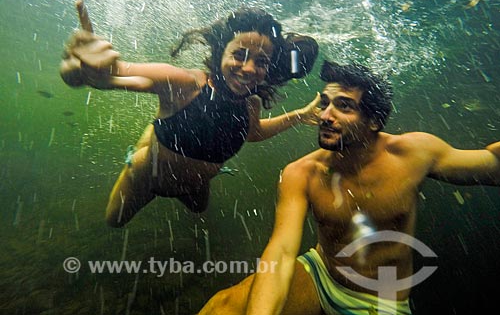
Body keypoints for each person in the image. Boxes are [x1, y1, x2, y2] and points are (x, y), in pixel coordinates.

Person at [198, 61, 500, 315]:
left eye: (344, 106)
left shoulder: (414, 153)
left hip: (380, 300)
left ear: (373, 121)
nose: (326, 115)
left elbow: (490, 166)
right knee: (221, 307)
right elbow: (281, 251)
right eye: (326, 103)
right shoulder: (301, 172)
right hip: (322, 274)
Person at [60, 6, 320, 228]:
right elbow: (114, 75)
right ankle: (144, 146)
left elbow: (253, 133)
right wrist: (81, 70)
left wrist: (300, 115)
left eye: (261, 61)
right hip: (146, 178)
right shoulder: (184, 83)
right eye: (239, 55)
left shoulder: (250, 102)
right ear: (220, 53)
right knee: (113, 221)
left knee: (198, 210)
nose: (249, 68)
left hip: (197, 184)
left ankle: (159, 143)